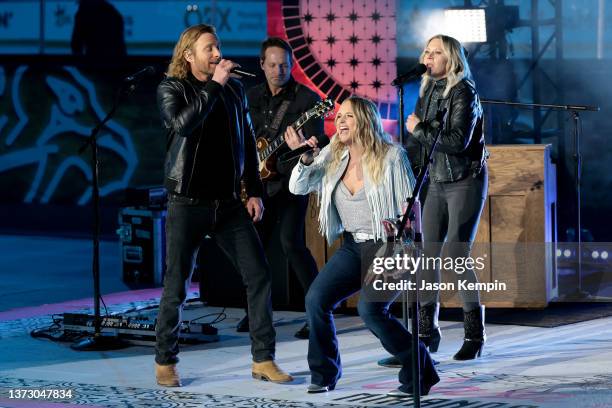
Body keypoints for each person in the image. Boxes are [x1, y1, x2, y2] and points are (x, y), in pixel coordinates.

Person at [154, 24, 292, 387]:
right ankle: (165, 361)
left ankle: (263, 358)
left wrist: (255, 190)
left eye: (218, 47)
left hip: (229, 203)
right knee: (177, 284)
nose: (217, 53)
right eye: (209, 48)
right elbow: (184, 126)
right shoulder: (172, 88)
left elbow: (246, 141)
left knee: (259, 275)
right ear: (189, 55)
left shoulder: (233, 90)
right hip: (187, 201)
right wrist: (214, 84)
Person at [287, 96, 440, 396]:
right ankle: (324, 374)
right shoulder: (332, 154)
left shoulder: (391, 156)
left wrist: (401, 249)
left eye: (349, 117)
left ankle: (418, 367)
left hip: (392, 246)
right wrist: (305, 159)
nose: (341, 121)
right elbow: (298, 187)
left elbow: (411, 207)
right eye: (339, 116)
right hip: (354, 246)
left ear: (366, 121)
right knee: (315, 300)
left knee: (370, 310)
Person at [406, 34, 488, 361]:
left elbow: (456, 140)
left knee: (455, 253)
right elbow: (419, 144)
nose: (429, 57)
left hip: (465, 178)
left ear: (451, 58)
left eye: (436, 52)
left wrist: (418, 129)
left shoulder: (463, 91)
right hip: (436, 180)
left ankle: (474, 334)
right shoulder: (427, 89)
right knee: (427, 256)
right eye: (426, 51)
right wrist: (409, 186)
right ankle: (428, 331)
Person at [240, 37, 327, 339]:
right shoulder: (249, 96)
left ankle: (317, 313)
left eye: (285, 65)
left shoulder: (307, 100)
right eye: (273, 64)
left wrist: (305, 146)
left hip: (292, 182)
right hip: (256, 186)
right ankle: (257, 315)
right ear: (262, 64)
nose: (279, 70)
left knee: (292, 245)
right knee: (254, 249)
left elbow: (320, 146)